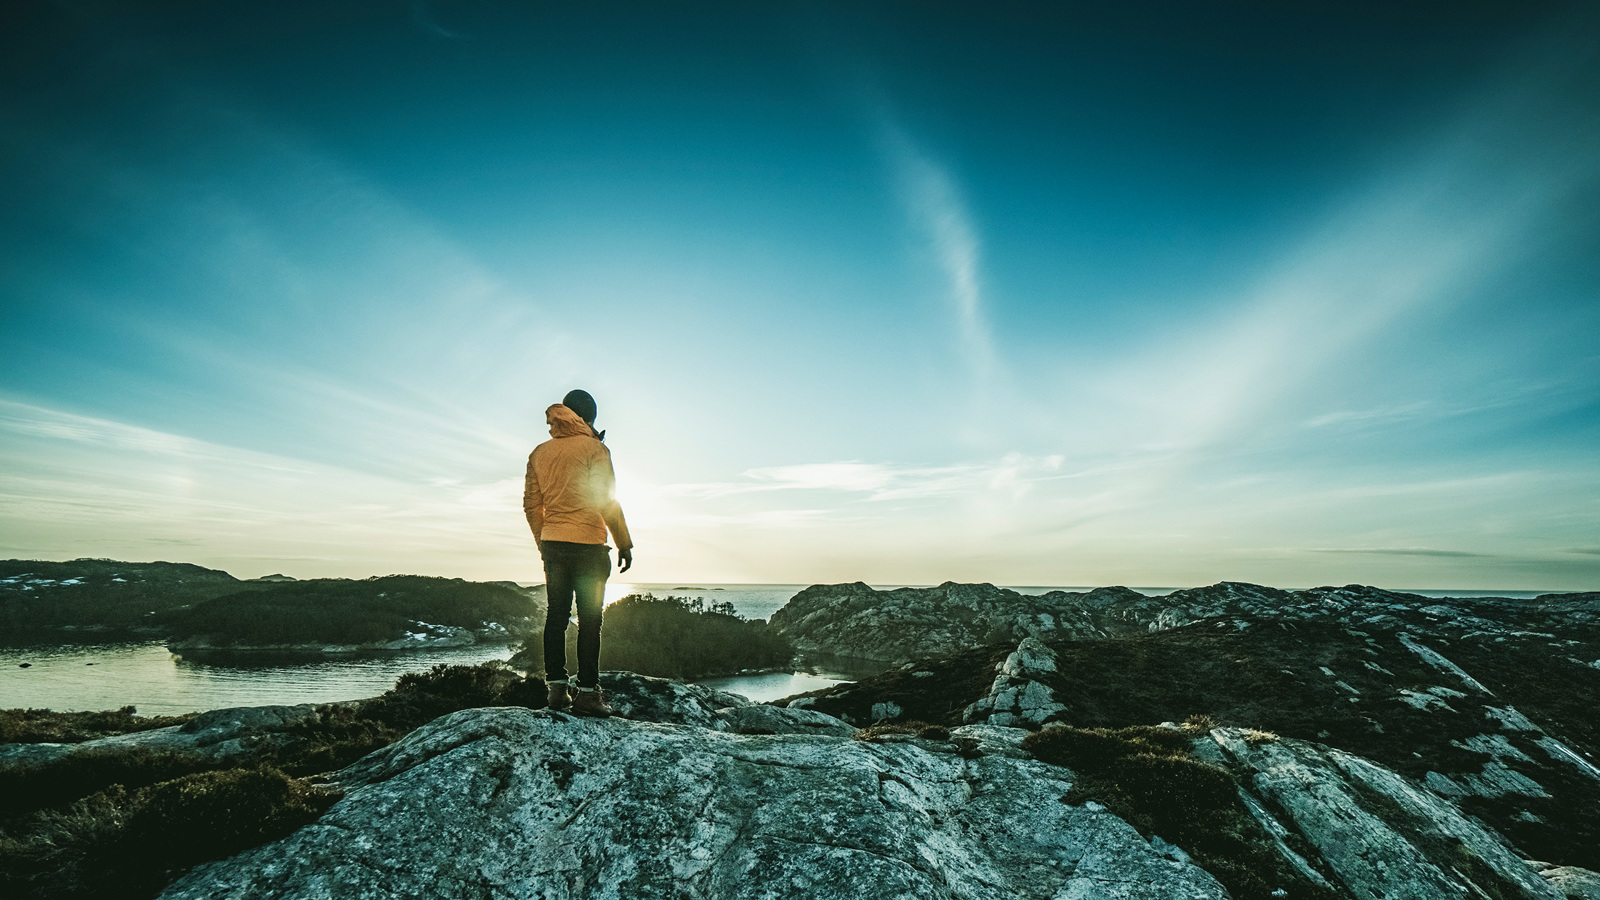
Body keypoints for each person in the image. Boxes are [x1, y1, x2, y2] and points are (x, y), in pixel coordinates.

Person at [523, 389, 633, 717]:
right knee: (590, 619)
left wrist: (544, 541)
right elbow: (606, 500)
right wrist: (624, 542)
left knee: (556, 616)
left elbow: (531, 505)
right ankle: (587, 693)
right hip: (589, 547)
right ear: (589, 419)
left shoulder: (539, 452)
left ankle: (556, 691)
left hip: (553, 544)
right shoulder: (596, 449)